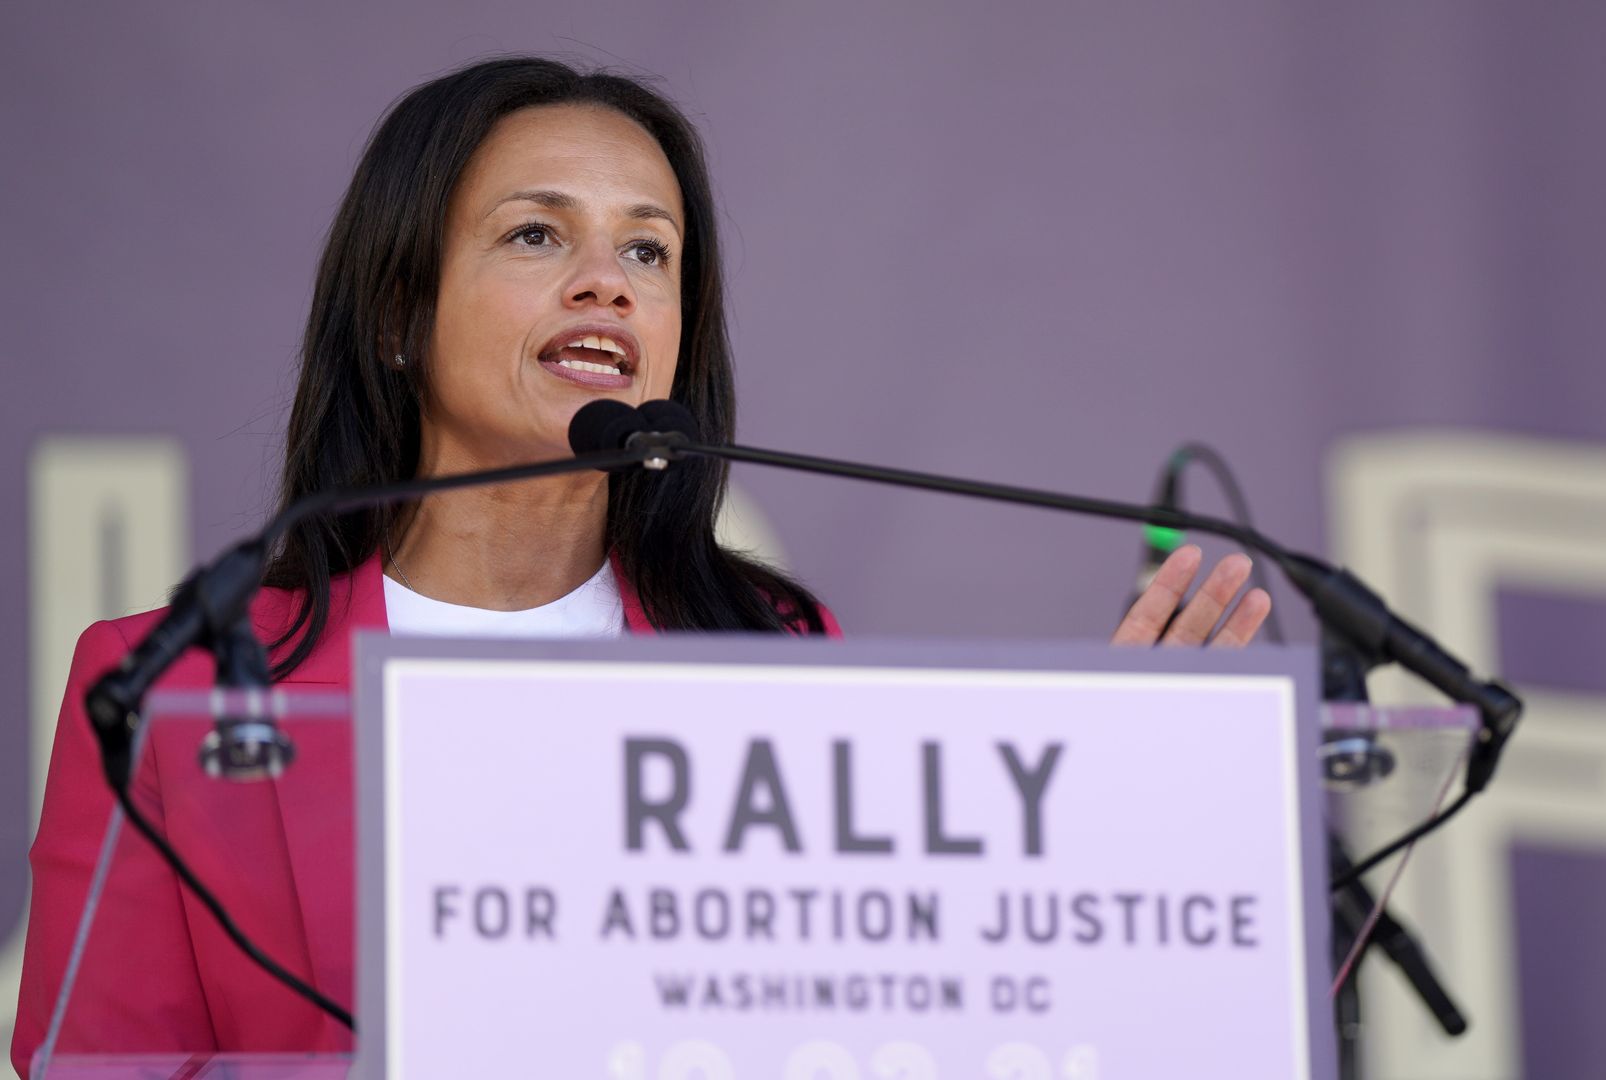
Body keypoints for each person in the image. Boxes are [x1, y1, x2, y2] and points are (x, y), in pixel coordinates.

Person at [11, 56, 1269, 1072]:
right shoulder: (164, 696)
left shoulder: (772, 653)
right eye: (537, 237)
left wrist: (1116, 825)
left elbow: (873, 1032)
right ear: (399, 317)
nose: (607, 283)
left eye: (649, 252)